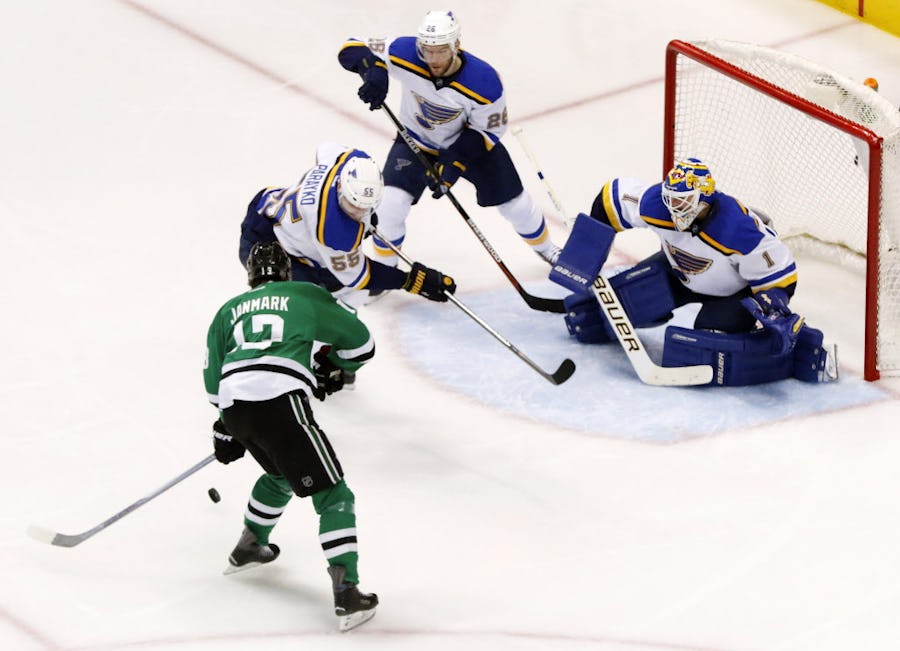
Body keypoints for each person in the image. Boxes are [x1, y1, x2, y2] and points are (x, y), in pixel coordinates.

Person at [203, 240, 379, 631]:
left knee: (281, 474)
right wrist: (329, 366)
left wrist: (225, 426)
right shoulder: (304, 294)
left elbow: (214, 383)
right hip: (279, 400)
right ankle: (347, 594)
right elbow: (362, 345)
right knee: (334, 495)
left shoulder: (228, 310)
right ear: (287, 273)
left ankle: (250, 545)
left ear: (250, 277)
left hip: (236, 406)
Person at [552, 158, 837, 385]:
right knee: (591, 316)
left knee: (698, 350)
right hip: (678, 273)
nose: (675, 209)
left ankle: (789, 358)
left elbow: (781, 277)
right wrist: (585, 252)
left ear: (704, 199)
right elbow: (609, 199)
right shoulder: (657, 205)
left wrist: (772, 308)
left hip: (731, 294)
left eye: (683, 201)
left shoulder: (738, 230)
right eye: (671, 200)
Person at [337, 9, 562, 267]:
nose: (432, 58)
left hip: (470, 147)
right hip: (416, 142)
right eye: (426, 50)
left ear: (456, 45)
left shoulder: (484, 81)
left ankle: (547, 249)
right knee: (389, 206)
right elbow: (351, 47)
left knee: (516, 204)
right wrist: (373, 71)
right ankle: (385, 271)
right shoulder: (406, 52)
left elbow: (488, 131)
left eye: (441, 50)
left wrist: (454, 162)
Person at [239, 142, 457, 309]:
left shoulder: (348, 162)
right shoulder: (333, 232)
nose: (359, 213)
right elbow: (359, 276)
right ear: (342, 188)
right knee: (312, 305)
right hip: (267, 242)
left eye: (365, 207)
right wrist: (412, 281)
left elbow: (326, 146)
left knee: (338, 286)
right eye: (353, 206)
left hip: (274, 206)